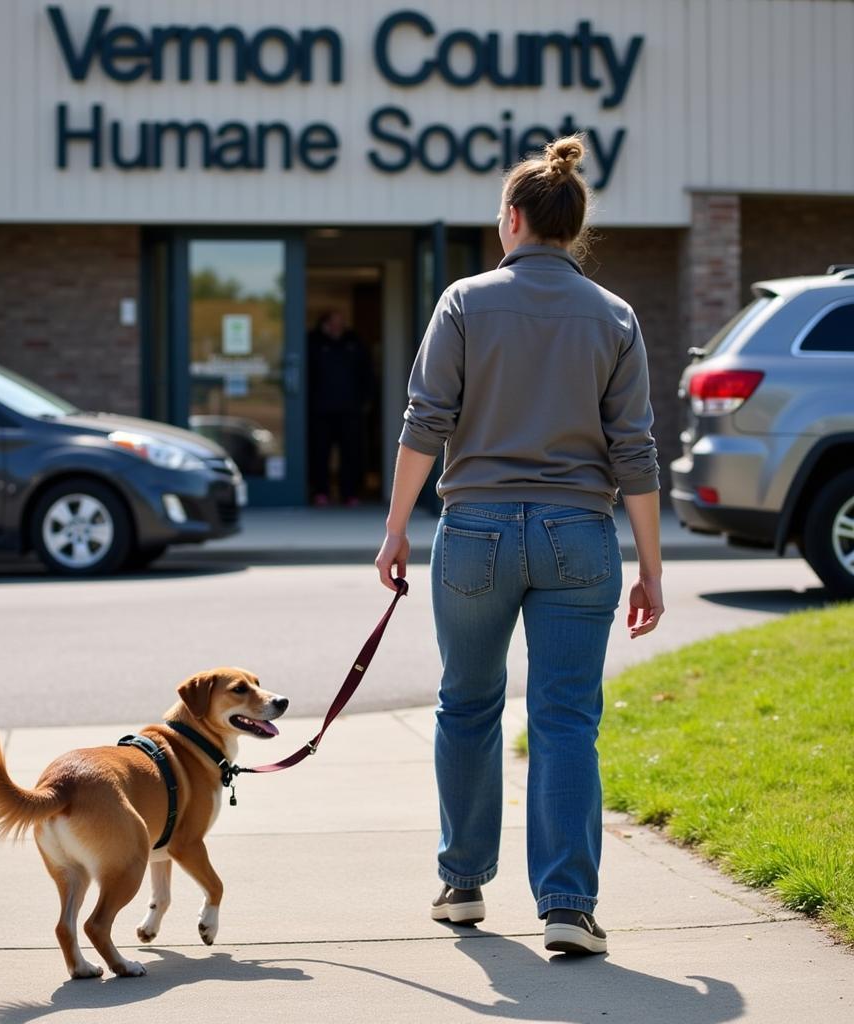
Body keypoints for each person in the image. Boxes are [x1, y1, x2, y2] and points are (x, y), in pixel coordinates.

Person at [374, 135, 664, 956]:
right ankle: (569, 905)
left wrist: (396, 528)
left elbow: (425, 421)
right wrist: (651, 566)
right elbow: (634, 451)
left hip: (474, 535)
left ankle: (463, 884)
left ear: (511, 219)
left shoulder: (466, 301)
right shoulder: (615, 316)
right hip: (579, 534)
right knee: (567, 718)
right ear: (570, 230)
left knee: (467, 704)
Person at [307, 310, 374, 506]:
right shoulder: (313, 342)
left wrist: (365, 401)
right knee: (320, 453)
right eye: (335, 321)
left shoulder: (354, 342)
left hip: (350, 411)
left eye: (342, 321)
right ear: (325, 323)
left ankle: (350, 493)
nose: (340, 325)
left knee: (351, 454)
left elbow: (366, 374)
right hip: (320, 411)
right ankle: (320, 492)